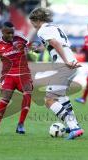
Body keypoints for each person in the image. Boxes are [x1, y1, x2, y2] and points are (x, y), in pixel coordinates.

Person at [29, 8, 83, 140]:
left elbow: (55, 43)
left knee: (49, 100)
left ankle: (75, 128)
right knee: (61, 97)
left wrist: (65, 62)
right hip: (72, 64)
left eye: (33, 22)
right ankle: (73, 125)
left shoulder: (42, 30)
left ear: (37, 20)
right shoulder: (55, 27)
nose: (33, 25)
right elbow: (54, 44)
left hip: (64, 65)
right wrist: (38, 49)